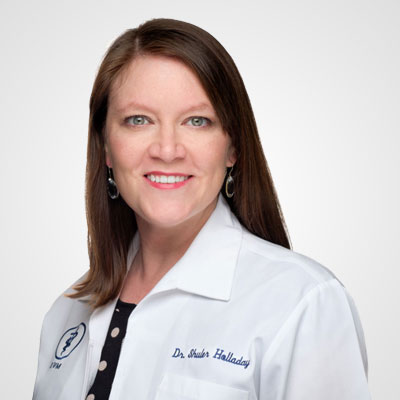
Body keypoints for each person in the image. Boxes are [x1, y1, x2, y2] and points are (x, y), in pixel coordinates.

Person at [32, 18, 371, 400]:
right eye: (138, 120)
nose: (167, 149)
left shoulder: (304, 304)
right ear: (106, 148)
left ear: (233, 148)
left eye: (197, 121)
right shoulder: (67, 311)